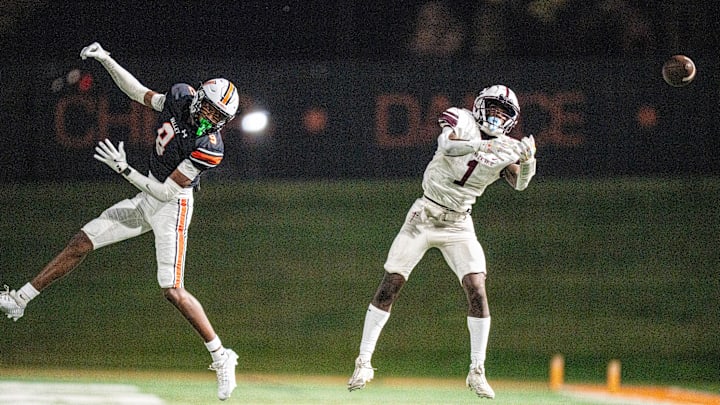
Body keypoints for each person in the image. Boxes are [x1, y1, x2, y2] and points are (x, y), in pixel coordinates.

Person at [0, 42, 240, 401]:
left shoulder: (210, 146)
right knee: (83, 240)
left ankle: (222, 357)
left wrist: (124, 169)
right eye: (208, 108)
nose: (210, 119)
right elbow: (136, 92)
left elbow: (164, 194)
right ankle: (20, 298)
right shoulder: (178, 97)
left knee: (172, 289)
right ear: (198, 97)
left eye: (218, 116)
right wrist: (105, 59)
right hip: (147, 196)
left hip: (172, 207)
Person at [347, 85, 536, 399]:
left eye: (504, 113)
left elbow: (520, 184)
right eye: (494, 108)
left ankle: (477, 370)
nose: (497, 116)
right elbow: (446, 146)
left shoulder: (507, 148)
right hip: (424, 215)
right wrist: (484, 147)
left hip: (459, 223)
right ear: (478, 106)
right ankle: (363, 361)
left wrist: (528, 160)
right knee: (390, 284)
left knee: (477, 289)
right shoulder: (461, 120)